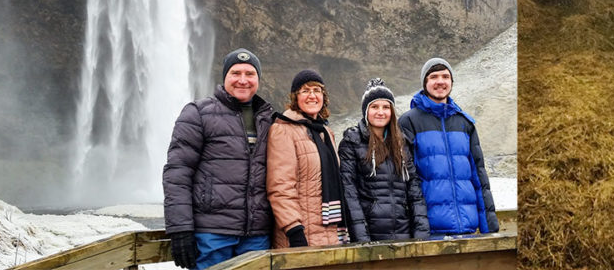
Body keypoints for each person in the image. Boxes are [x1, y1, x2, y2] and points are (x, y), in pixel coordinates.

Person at [163, 48, 274, 270]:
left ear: (258, 80)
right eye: (235, 73)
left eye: (250, 74)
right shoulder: (197, 113)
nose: (243, 80)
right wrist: (180, 228)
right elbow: (178, 173)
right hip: (212, 234)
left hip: (257, 234)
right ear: (225, 77)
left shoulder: (270, 119)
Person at [399, 58, 499, 235]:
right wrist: (418, 229)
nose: (440, 81)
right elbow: (407, 181)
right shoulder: (409, 122)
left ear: (451, 82)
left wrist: (490, 229)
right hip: (429, 231)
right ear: (425, 83)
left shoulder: (465, 123)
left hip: (467, 229)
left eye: (445, 76)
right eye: (433, 76)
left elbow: (479, 178)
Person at [339, 78, 430, 242]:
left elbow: (414, 190)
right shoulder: (352, 142)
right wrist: (361, 238)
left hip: (404, 232)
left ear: (392, 111)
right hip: (371, 233)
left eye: (386, 107)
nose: (380, 112)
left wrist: (421, 234)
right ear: (365, 110)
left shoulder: (401, 143)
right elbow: (349, 193)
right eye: (374, 106)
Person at [267, 69, 348, 248]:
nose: (312, 96)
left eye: (317, 90)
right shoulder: (283, 130)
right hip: (301, 234)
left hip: (331, 232)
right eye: (305, 91)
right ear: (296, 97)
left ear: (323, 96)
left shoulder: (326, 132)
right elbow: (281, 187)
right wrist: (294, 230)